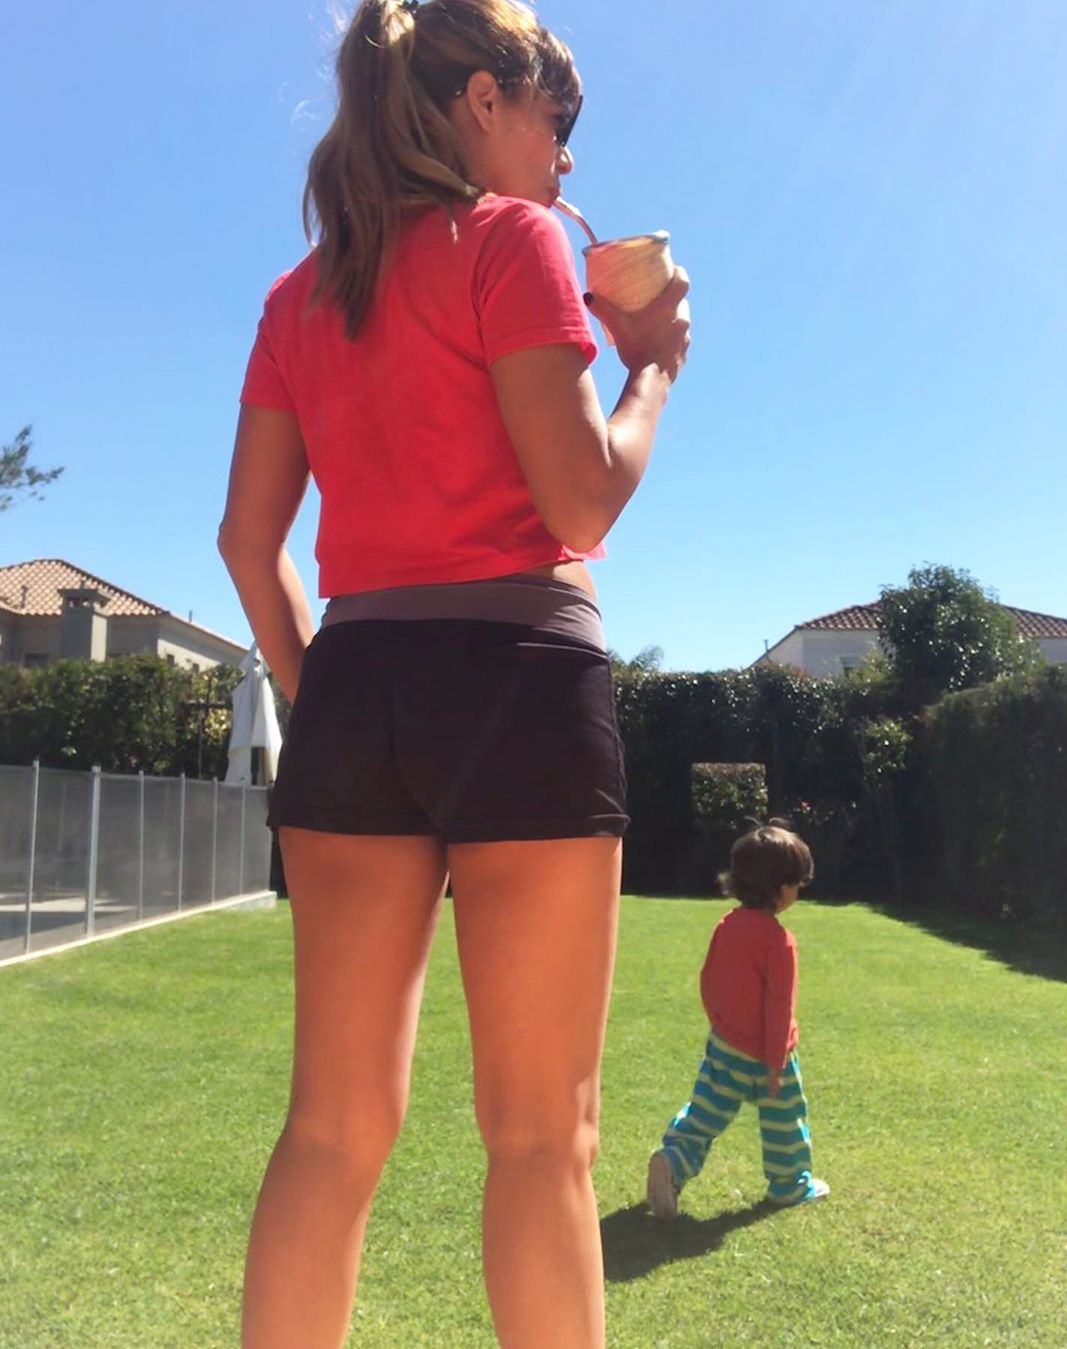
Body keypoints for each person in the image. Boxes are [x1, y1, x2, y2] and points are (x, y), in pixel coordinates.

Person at [217, 0, 690, 1345]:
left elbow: (248, 542)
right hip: (523, 678)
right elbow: (580, 500)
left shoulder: (300, 296)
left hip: (360, 681)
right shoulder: (513, 241)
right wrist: (653, 372)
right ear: (485, 100)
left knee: (329, 1131)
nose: (567, 159)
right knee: (543, 1140)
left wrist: (325, 703)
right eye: (557, 120)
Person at [645, 820, 829, 1220]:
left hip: (725, 1045)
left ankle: (673, 1160)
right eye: (796, 883)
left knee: (705, 1113)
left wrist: (720, 1023)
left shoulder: (727, 926)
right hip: (768, 1055)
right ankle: (790, 1184)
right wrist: (775, 1063)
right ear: (779, 887)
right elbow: (779, 1007)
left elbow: (709, 978)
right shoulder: (780, 942)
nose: (798, 890)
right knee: (784, 1121)